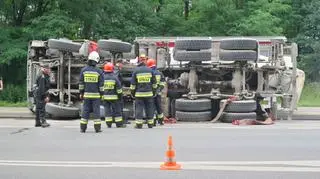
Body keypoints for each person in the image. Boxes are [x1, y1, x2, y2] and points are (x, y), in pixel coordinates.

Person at [79, 51, 104, 133]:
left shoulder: (84, 70)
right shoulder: (99, 71)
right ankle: (97, 128)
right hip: (96, 96)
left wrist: (81, 93)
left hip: (86, 95)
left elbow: (81, 84)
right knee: (96, 112)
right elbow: (101, 86)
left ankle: (83, 128)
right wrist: (102, 94)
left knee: (85, 111)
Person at [130, 54, 157, 129]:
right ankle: (150, 124)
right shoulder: (150, 70)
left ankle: (139, 124)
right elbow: (154, 84)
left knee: (139, 108)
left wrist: (132, 93)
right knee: (149, 108)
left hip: (139, 94)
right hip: (149, 94)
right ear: (145, 60)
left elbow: (133, 85)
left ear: (139, 61)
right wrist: (154, 92)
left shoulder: (136, 71)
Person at [103, 62, 125, 128]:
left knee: (107, 110)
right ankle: (119, 124)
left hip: (105, 97)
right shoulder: (115, 78)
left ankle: (108, 123)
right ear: (112, 69)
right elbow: (119, 89)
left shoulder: (102, 78)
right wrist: (120, 97)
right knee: (117, 110)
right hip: (114, 98)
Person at [147, 58, 166, 126]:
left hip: (151, 93)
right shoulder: (159, 73)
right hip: (158, 93)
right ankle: (161, 121)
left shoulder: (149, 73)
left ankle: (153, 121)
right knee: (159, 107)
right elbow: (163, 82)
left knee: (152, 107)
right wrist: (159, 89)